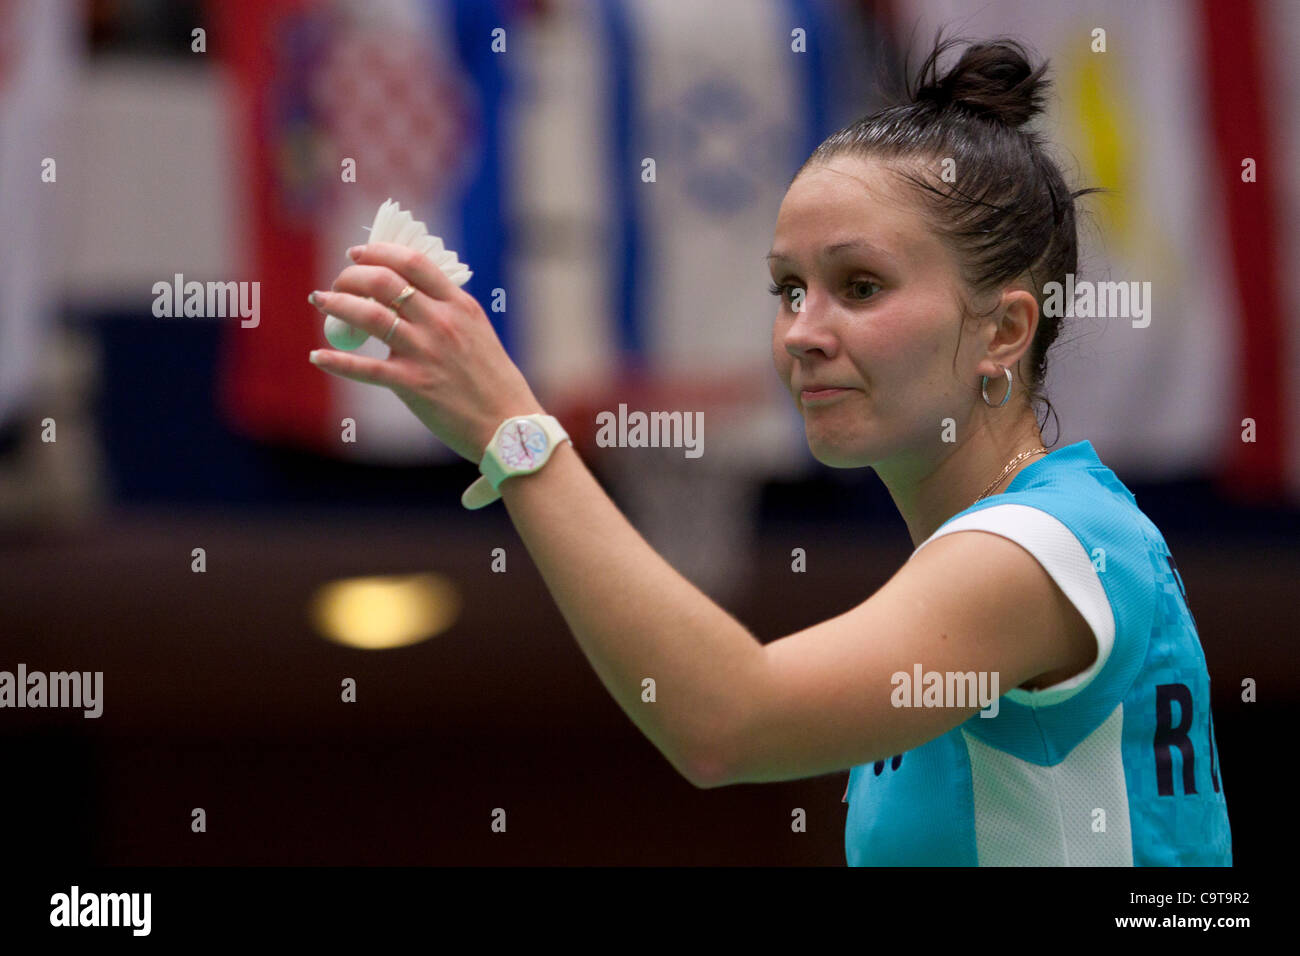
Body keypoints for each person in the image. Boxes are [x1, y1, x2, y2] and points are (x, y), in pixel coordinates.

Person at [305, 34, 1231, 866]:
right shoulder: (1013, 551)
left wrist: (516, 433)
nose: (801, 332)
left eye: (859, 286)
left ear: (1004, 331)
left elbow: (725, 724)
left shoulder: (1047, 545)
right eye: (789, 289)